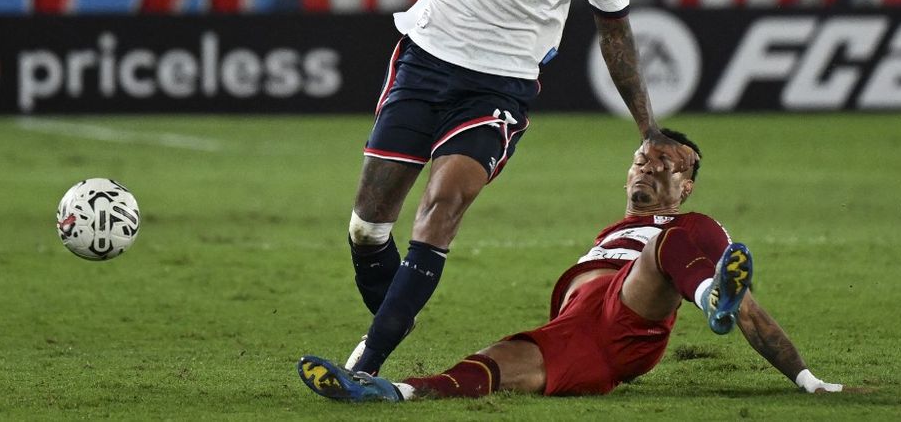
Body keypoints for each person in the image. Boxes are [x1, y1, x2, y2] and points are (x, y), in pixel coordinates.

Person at [286, 0, 698, 377]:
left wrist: (647, 126)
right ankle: (398, 308)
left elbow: (615, 34)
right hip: (425, 61)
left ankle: (367, 362)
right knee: (368, 227)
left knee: (445, 200)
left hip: (499, 87)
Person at [296, 129, 844, 401]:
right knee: (487, 366)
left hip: (632, 318)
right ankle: (387, 391)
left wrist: (808, 380)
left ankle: (709, 299)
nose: (648, 168)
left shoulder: (691, 229)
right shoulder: (611, 234)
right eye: (642, 159)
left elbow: (753, 312)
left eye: (667, 165)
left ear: (686, 186)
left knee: (671, 243)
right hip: (576, 332)